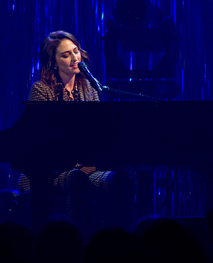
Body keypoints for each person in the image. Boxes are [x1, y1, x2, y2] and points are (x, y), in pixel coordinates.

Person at [18, 31, 133, 233]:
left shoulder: (89, 88)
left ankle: (120, 242)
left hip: (86, 166)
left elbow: (99, 133)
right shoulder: (41, 89)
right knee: (76, 178)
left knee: (121, 179)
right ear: (53, 63)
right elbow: (37, 138)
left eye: (76, 51)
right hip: (48, 170)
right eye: (65, 55)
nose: (74, 58)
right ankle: (76, 240)